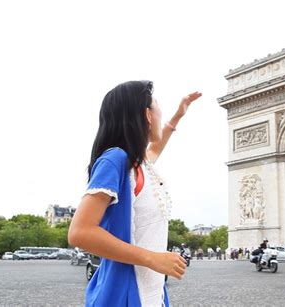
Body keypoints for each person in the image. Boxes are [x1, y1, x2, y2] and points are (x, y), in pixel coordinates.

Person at [68, 80, 201, 306]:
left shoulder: (139, 165)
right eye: (158, 107)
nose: (161, 114)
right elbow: (79, 232)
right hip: (125, 293)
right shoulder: (115, 160)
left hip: (151, 292)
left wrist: (178, 116)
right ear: (147, 115)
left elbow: (155, 150)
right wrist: (152, 258)